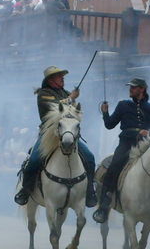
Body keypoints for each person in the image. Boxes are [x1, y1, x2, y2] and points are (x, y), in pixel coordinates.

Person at [92, 78, 150, 227]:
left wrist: (148, 132)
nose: (130, 90)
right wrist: (105, 113)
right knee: (114, 167)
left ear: (142, 89)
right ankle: (104, 208)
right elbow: (109, 125)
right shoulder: (123, 105)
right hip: (126, 144)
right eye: (130, 87)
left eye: (133, 87)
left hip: (145, 146)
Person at [14, 66, 97, 207]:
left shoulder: (65, 93)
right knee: (33, 161)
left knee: (89, 157)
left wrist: (73, 101)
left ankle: (89, 191)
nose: (62, 78)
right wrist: (71, 98)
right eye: (59, 76)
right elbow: (54, 108)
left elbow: (73, 114)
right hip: (49, 135)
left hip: (67, 133)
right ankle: (25, 191)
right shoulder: (44, 94)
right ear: (51, 80)